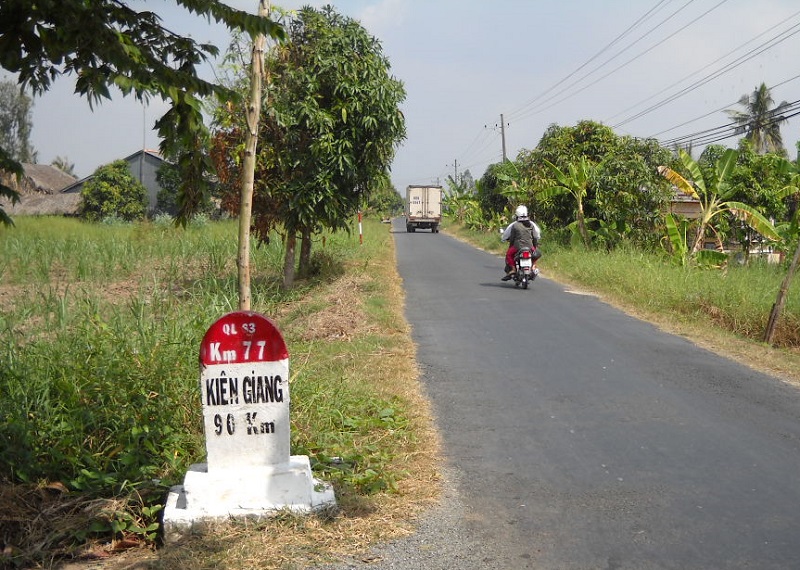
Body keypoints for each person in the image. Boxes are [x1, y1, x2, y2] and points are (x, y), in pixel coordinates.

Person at [500, 205, 541, 281]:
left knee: (509, 255)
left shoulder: (514, 225)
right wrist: (534, 246)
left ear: (516, 215)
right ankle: (533, 266)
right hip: (530, 246)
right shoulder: (531, 224)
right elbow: (536, 237)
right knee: (535, 254)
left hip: (518, 246)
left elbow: (511, 237)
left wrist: (510, 244)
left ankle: (513, 269)